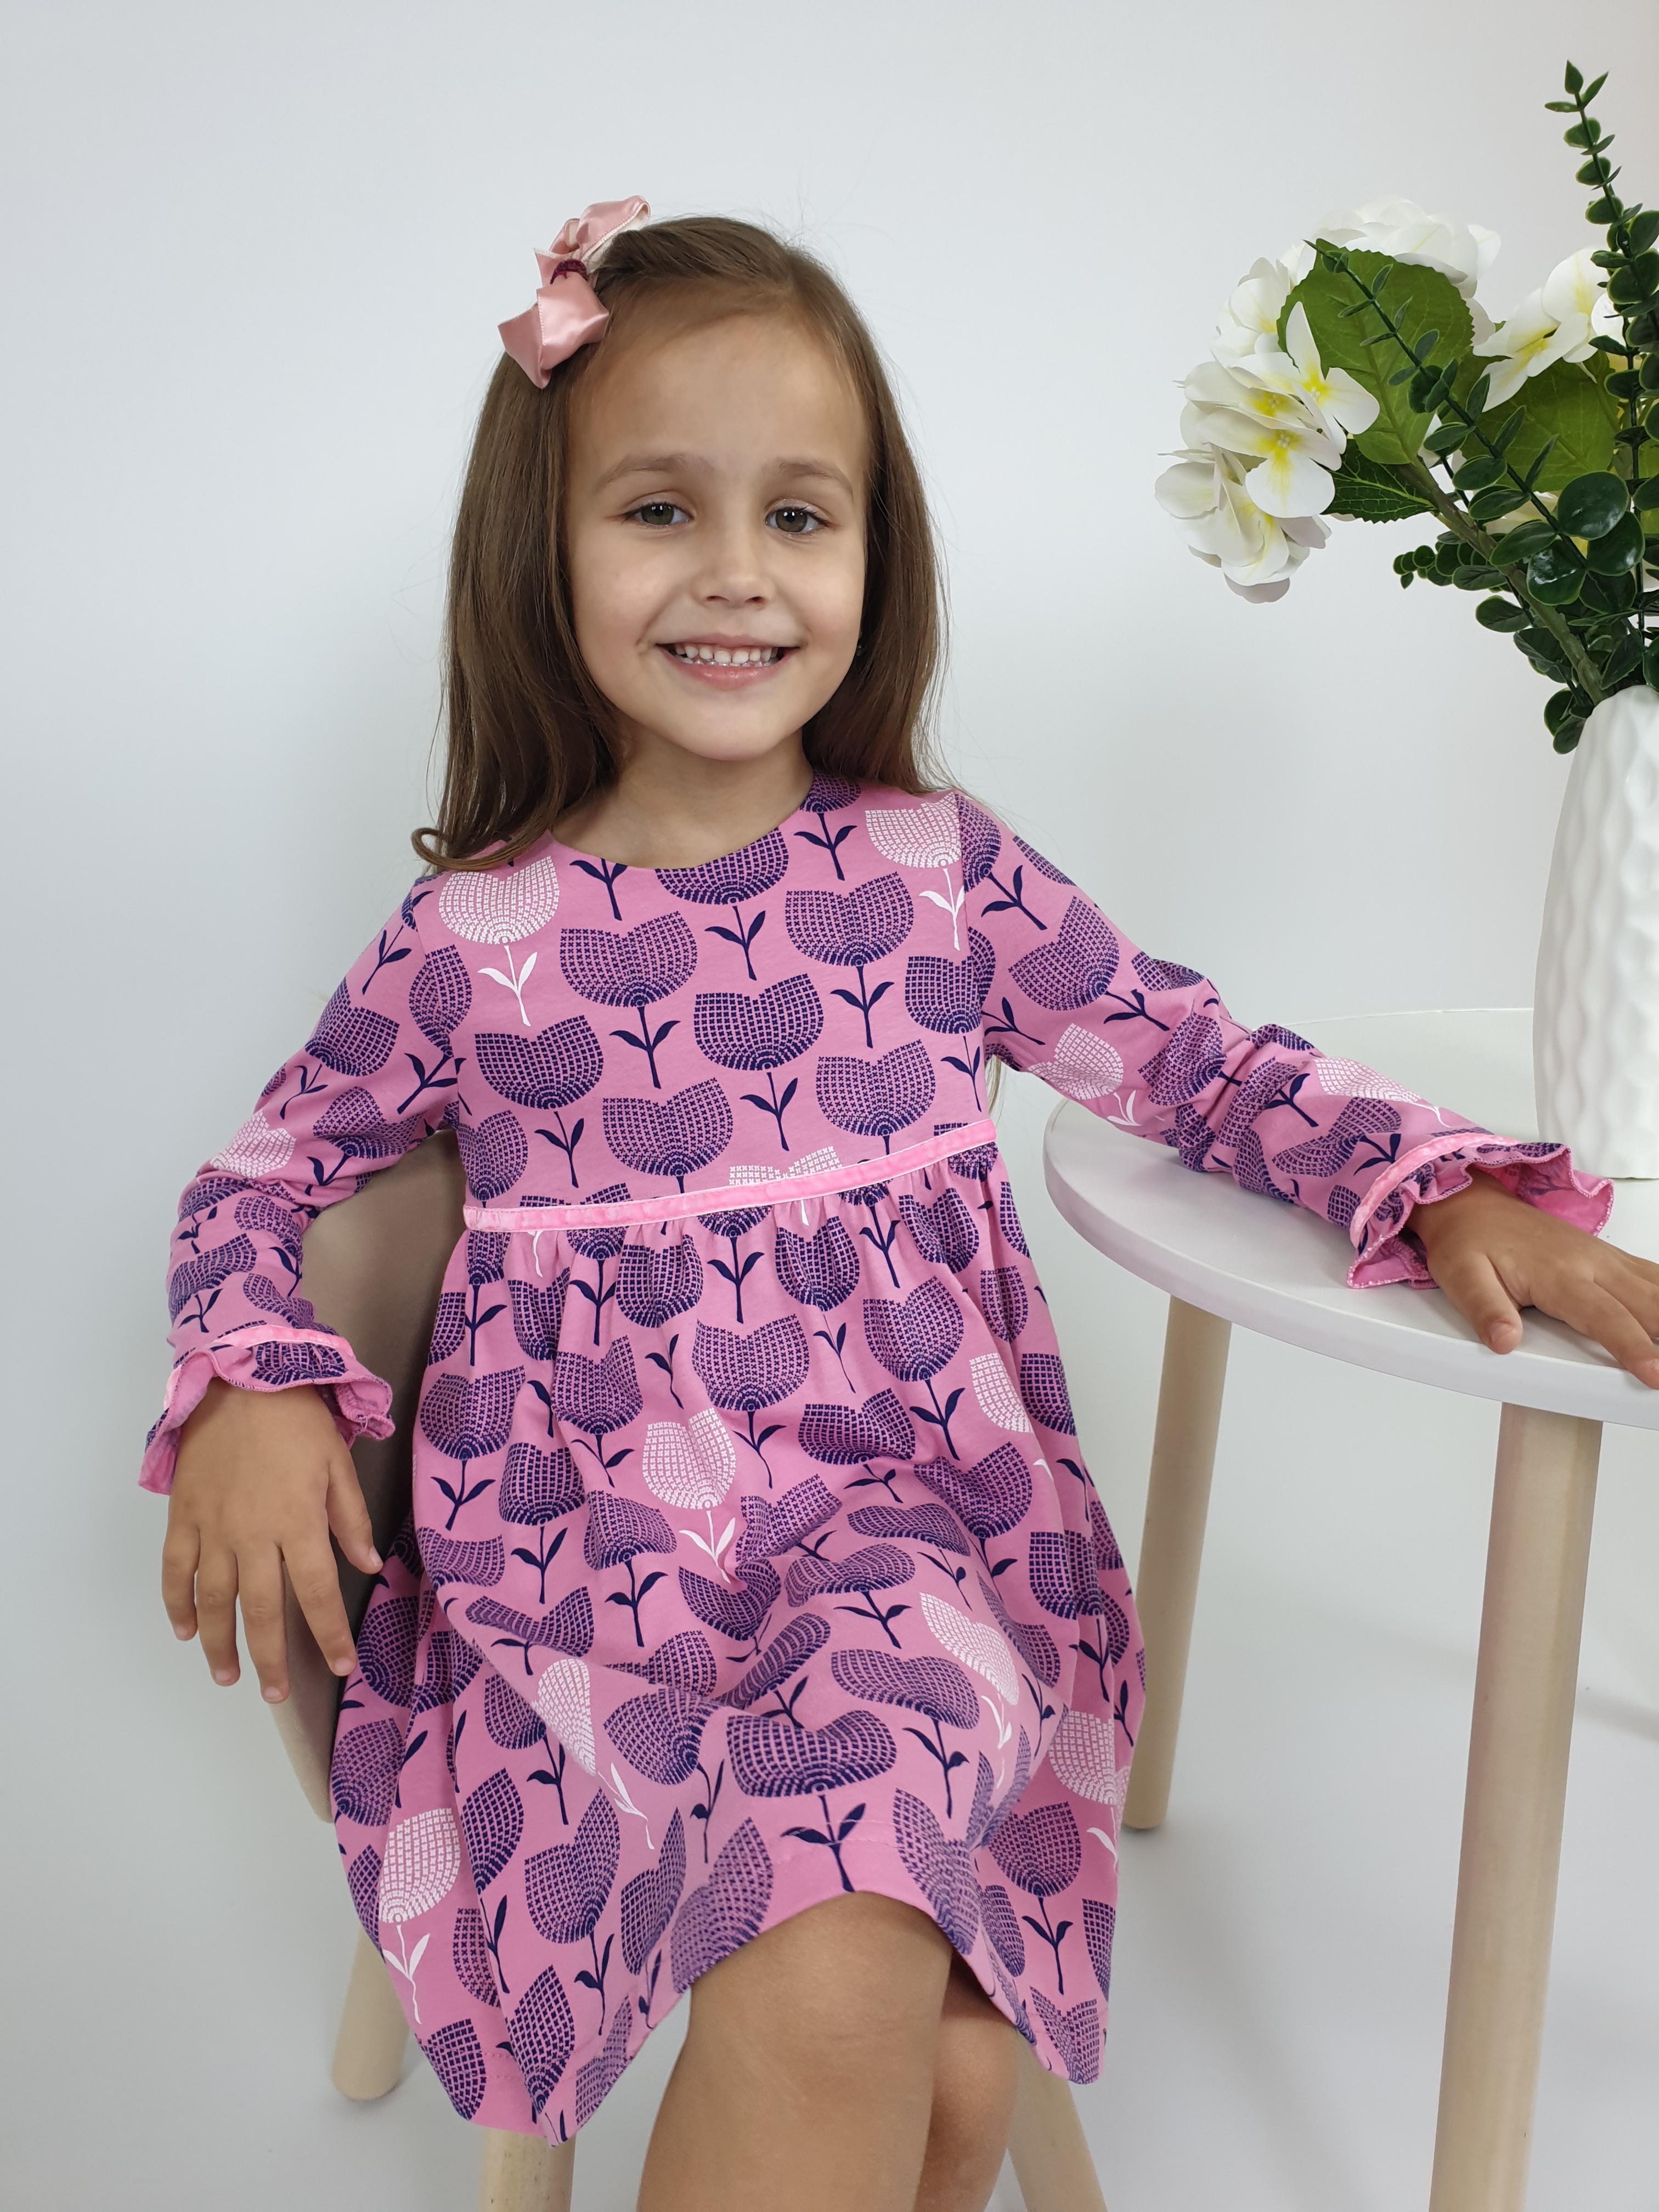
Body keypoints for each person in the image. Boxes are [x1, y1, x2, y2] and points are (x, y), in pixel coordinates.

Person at [142, 201, 1659, 2212]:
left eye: (800, 515)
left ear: (878, 553)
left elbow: (1195, 1062)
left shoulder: (942, 880)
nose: (737, 573)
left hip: (915, 1555)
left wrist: (1439, 1186)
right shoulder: (471, 944)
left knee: (867, 1969)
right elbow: (267, 1179)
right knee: (931, 2072)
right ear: (542, 550)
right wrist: (257, 1381)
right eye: (660, 510)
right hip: (589, 1613)